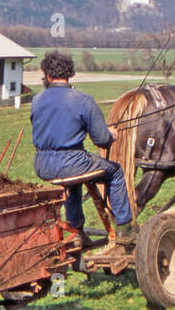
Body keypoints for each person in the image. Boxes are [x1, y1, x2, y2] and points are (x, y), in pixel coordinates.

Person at [29, 51, 133, 247]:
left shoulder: (36, 100)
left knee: (72, 184)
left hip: (42, 165)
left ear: (48, 75)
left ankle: (76, 231)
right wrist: (112, 135)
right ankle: (125, 229)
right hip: (72, 162)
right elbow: (102, 140)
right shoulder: (83, 100)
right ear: (70, 74)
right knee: (116, 172)